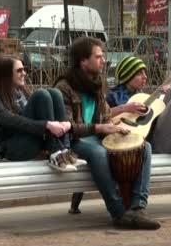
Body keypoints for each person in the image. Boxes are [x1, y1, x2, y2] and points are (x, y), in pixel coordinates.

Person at [54, 37, 160, 230]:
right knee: (98, 152)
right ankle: (118, 213)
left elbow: (104, 115)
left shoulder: (96, 82)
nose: (103, 61)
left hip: (96, 136)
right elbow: (67, 126)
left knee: (144, 146)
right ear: (83, 61)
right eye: (98, 57)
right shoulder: (64, 87)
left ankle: (138, 208)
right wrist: (100, 128)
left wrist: (115, 125)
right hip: (75, 141)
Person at [0, 56, 85, 172]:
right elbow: (12, 120)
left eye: (23, 69)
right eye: (19, 71)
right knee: (41, 95)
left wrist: (60, 125)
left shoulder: (22, 92)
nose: (24, 73)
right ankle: (56, 153)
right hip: (15, 149)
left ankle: (65, 152)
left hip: (35, 140)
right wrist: (46, 125)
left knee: (55, 93)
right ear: (6, 74)